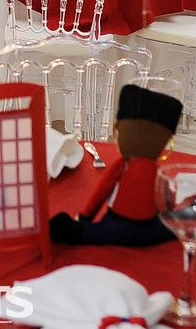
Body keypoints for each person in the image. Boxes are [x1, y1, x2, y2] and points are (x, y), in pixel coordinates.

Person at [49, 84, 183, 246]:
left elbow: (101, 192)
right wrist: (169, 216)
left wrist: (85, 217)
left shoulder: (123, 165)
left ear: (117, 129)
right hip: (149, 230)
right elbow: (167, 199)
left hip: (117, 227)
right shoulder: (157, 170)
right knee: (175, 227)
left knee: (93, 234)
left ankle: (72, 230)